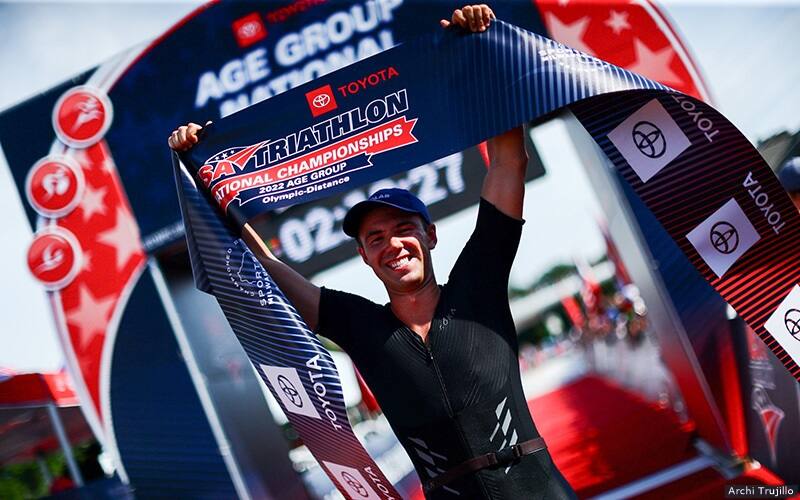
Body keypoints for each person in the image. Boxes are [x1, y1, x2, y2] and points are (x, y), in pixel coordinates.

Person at [170, 5, 574, 499]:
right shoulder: (359, 325)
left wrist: (482, 57)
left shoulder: (479, 284)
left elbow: (509, 163)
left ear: (429, 235)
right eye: (375, 239)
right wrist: (210, 180)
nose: (391, 245)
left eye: (402, 229)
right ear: (364, 256)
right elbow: (269, 268)